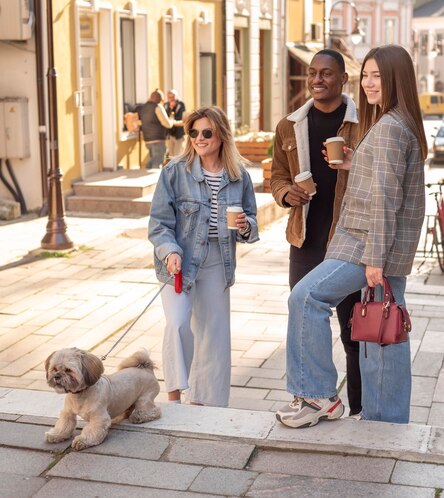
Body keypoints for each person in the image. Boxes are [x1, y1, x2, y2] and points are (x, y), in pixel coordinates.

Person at [276, 45, 427, 428]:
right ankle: (384, 419)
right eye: (367, 75)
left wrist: (375, 257)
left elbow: (385, 198)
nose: (369, 83)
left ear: (396, 79)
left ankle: (316, 396)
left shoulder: (391, 127)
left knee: (306, 297)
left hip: (366, 245)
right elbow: (383, 180)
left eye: (377, 76)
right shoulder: (395, 121)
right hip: (377, 245)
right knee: (381, 331)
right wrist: (352, 162)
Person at [270, 48, 362, 416]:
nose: (317, 80)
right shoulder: (289, 126)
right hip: (306, 240)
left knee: (355, 332)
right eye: (312, 73)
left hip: (348, 240)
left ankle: (361, 408)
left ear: (343, 79)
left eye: (326, 74)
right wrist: (284, 193)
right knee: (304, 318)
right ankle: (311, 397)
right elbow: (277, 175)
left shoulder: (362, 122)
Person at [148, 106, 259, 406]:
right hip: (179, 261)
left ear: (222, 135)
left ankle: (206, 404)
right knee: (178, 324)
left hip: (217, 259)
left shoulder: (238, 176)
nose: (199, 138)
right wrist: (170, 251)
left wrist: (246, 225)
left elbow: (251, 221)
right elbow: (159, 224)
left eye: (207, 132)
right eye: (194, 132)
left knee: (214, 335)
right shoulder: (174, 171)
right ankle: (173, 399)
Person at [139, 90, 174, 169]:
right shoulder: (158, 107)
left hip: (147, 139)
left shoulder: (143, 107)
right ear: (159, 99)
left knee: (150, 162)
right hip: (158, 139)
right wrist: (171, 120)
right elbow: (167, 123)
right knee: (157, 165)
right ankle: (156, 180)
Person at [165, 89, 186, 158]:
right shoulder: (165, 105)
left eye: (173, 97)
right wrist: (171, 109)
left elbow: (180, 117)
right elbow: (166, 118)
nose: (171, 99)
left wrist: (172, 109)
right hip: (169, 134)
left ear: (176, 96)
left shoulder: (181, 104)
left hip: (178, 134)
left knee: (178, 155)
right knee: (171, 155)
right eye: (169, 97)